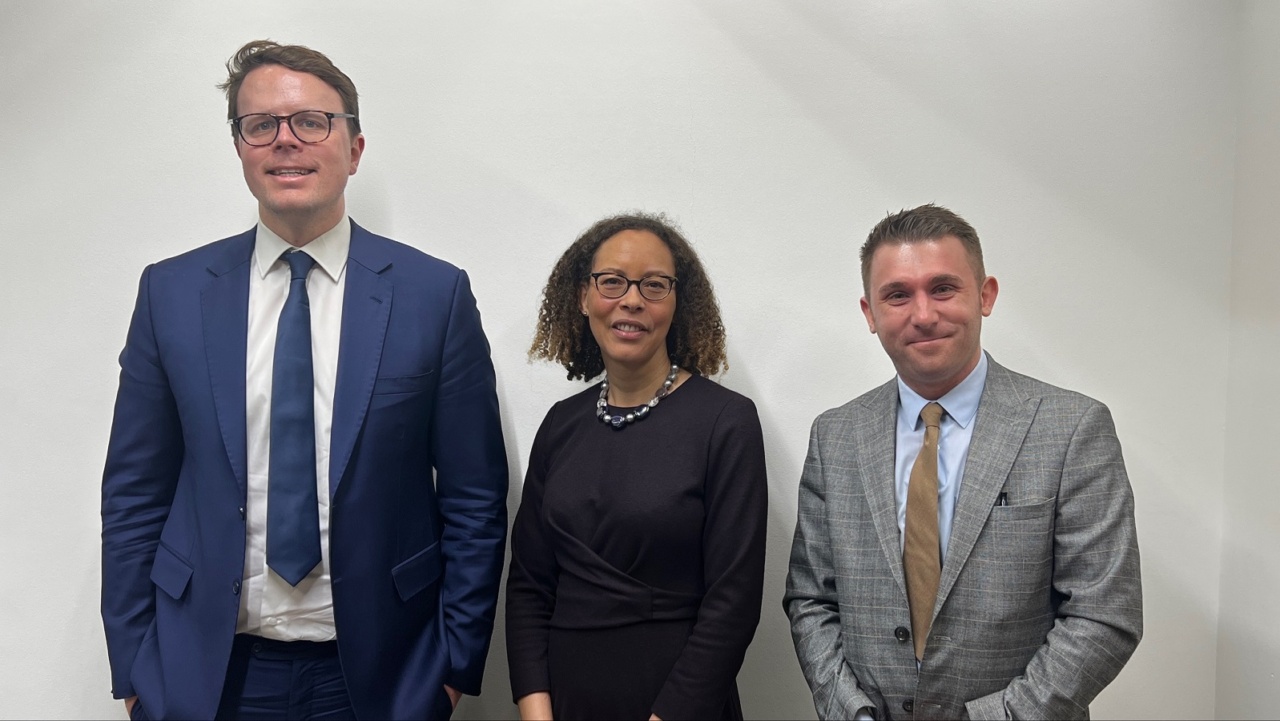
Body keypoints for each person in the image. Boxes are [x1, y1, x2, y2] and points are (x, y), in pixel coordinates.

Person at [100, 40, 508, 720]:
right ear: (240, 149)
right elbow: (134, 493)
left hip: (382, 674)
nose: (286, 141)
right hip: (208, 676)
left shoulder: (433, 295)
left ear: (354, 147)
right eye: (261, 125)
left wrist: (451, 664)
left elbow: (475, 497)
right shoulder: (170, 294)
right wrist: (138, 665)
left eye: (311, 121)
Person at [783, 204, 1142, 720]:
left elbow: (1105, 613)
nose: (923, 314)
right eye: (898, 295)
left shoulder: (1072, 428)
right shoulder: (836, 436)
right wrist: (850, 711)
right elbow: (811, 598)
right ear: (870, 313)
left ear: (985, 295)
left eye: (943, 288)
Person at [505, 213, 767, 720]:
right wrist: (536, 711)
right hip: (565, 702)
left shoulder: (726, 422)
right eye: (612, 282)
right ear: (583, 297)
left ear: (676, 303)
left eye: (654, 285)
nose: (631, 299)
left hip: (679, 705)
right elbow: (528, 587)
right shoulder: (560, 424)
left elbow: (732, 604)